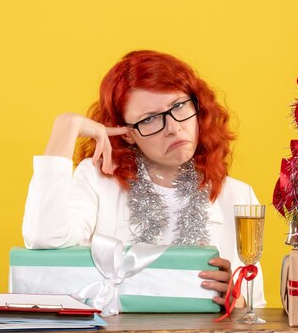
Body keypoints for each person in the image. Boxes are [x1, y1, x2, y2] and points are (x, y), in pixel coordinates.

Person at [22, 50, 265, 309]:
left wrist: (235, 298)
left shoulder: (237, 195)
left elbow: (256, 306)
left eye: (179, 106)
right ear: (126, 134)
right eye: (149, 119)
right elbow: (43, 238)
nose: (173, 128)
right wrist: (66, 125)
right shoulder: (97, 181)